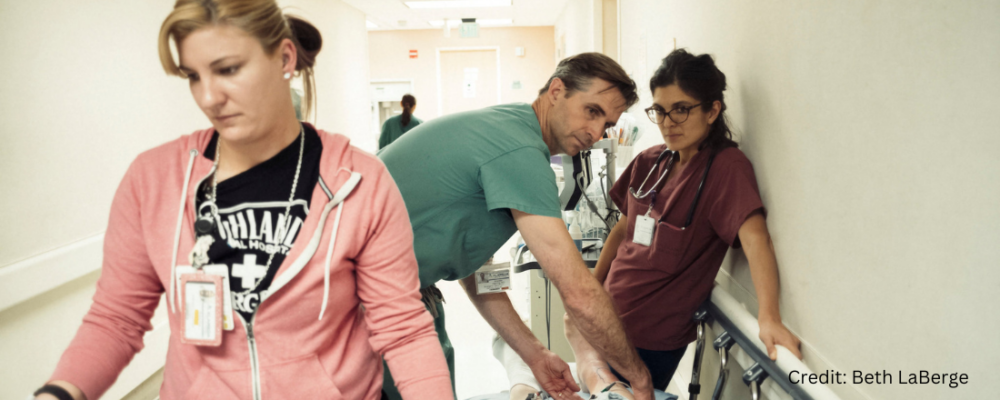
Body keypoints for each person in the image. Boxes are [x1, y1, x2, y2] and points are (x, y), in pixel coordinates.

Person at [32, 1, 451, 399]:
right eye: (193, 76)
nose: (208, 97)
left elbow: (403, 330)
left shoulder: (357, 183)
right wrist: (58, 392)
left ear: (285, 59)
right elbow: (115, 320)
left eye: (227, 69)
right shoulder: (154, 180)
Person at [379, 53, 655, 400]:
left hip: (400, 292)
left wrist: (535, 355)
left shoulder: (509, 125)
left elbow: (474, 268)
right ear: (557, 90)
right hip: (361, 301)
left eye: (607, 125)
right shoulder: (521, 150)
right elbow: (578, 291)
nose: (596, 132)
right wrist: (640, 380)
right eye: (592, 111)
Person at [561, 49, 802, 396]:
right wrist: (589, 291)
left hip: (649, 339)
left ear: (712, 110)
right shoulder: (650, 160)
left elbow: (757, 241)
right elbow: (622, 231)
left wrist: (769, 317)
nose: (668, 122)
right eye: (659, 110)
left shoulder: (725, 169)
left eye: (681, 109)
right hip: (604, 315)